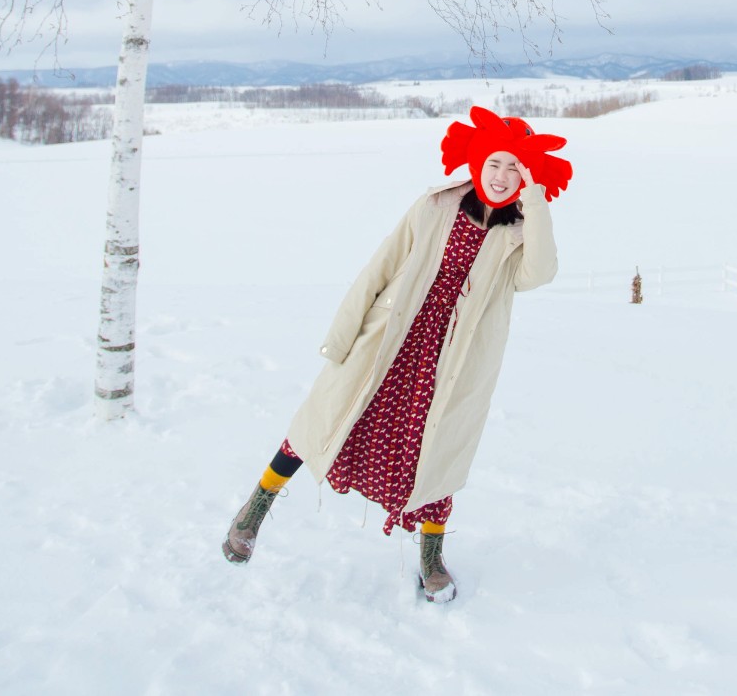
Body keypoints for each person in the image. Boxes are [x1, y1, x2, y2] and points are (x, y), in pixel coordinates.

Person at [222, 106, 570, 602]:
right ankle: (255, 508)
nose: (502, 176)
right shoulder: (434, 206)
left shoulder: (519, 233)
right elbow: (378, 268)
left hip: (454, 361)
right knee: (323, 420)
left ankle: (430, 556)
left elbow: (540, 273)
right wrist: (342, 336)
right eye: (495, 163)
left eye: (515, 168)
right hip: (389, 340)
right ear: (478, 162)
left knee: (437, 454)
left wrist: (534, 202)